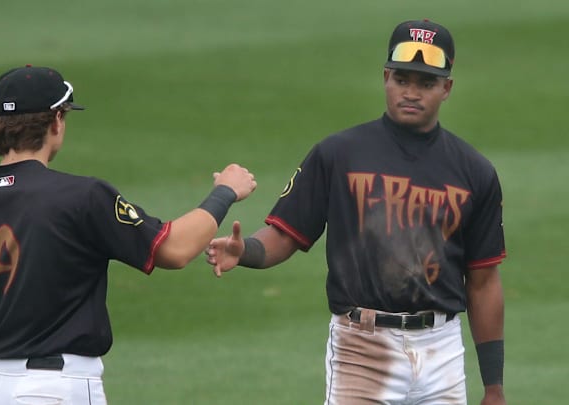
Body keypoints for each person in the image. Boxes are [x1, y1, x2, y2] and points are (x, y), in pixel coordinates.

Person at [0, 64, 257, 405]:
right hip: (55, 389)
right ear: (56, 120)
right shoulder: (82, 198)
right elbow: (175, 249)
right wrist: (224, 192)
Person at [206, 19, 506, 405]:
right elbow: (287, 234)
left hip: (441, 350)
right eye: (402, 79)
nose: (411, 92)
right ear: (385, 77)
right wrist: (243, 251)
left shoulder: (474, 172)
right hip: (362, 349)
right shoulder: (339, 154)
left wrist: (494, 387)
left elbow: (483, 281)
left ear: (446, 88)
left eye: (426, 83)